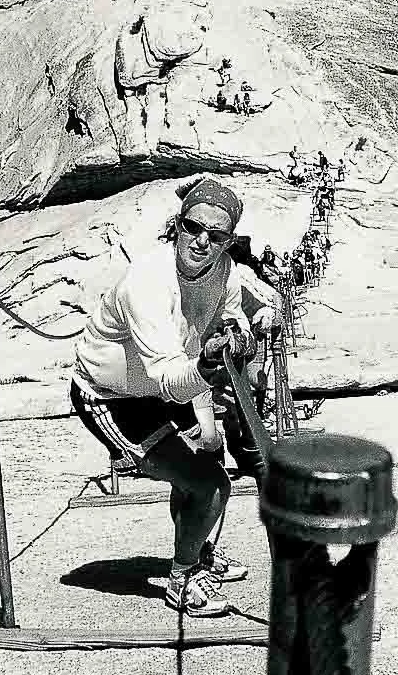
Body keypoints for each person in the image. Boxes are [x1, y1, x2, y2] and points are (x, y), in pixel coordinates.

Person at [70, 178, 280, 617]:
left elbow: (230, 313)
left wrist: (240, 334)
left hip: (169, 381)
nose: (201, 241)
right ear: (177, 226)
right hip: (111, 398)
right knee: (209, 484)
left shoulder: (222, 272)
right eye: (192, 227)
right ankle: (182, 581)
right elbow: (167, 377)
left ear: (227, 242)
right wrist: (206, 370)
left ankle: (196, 552)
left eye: (216, 235)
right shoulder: (146, 283)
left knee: (208, 457)